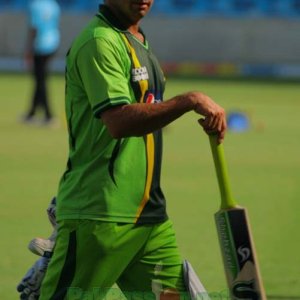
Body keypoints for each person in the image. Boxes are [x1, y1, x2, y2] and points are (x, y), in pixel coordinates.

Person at [23, 0, 226, 299]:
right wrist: (188, 101)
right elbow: (118, 121)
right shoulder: (99, 41)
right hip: (101, 215)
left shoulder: (137, 39)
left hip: (148, 216)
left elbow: (147, 112)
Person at [22, 0, 61, 125]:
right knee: (40, 79)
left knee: (41, 81)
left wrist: (29, 49)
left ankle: (49, 115)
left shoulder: (35, 5)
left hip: (40, 45)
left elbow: (34, 28)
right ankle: (32, 113)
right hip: (53, 43)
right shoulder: (53, 5)